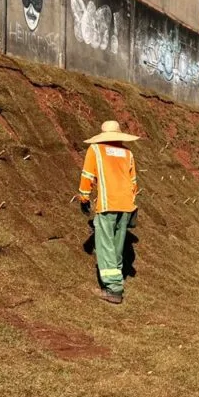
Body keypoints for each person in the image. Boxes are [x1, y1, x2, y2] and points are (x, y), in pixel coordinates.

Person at [78, 120, 139, 304]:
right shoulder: (128, 153)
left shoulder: (95, 150)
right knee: (117, 245)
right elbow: (134, 183)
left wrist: (84, 197)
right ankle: (117, 277)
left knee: (105, 246)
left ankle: (113, 289)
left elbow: (87, 175)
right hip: (126, 205)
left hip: (108, 203)